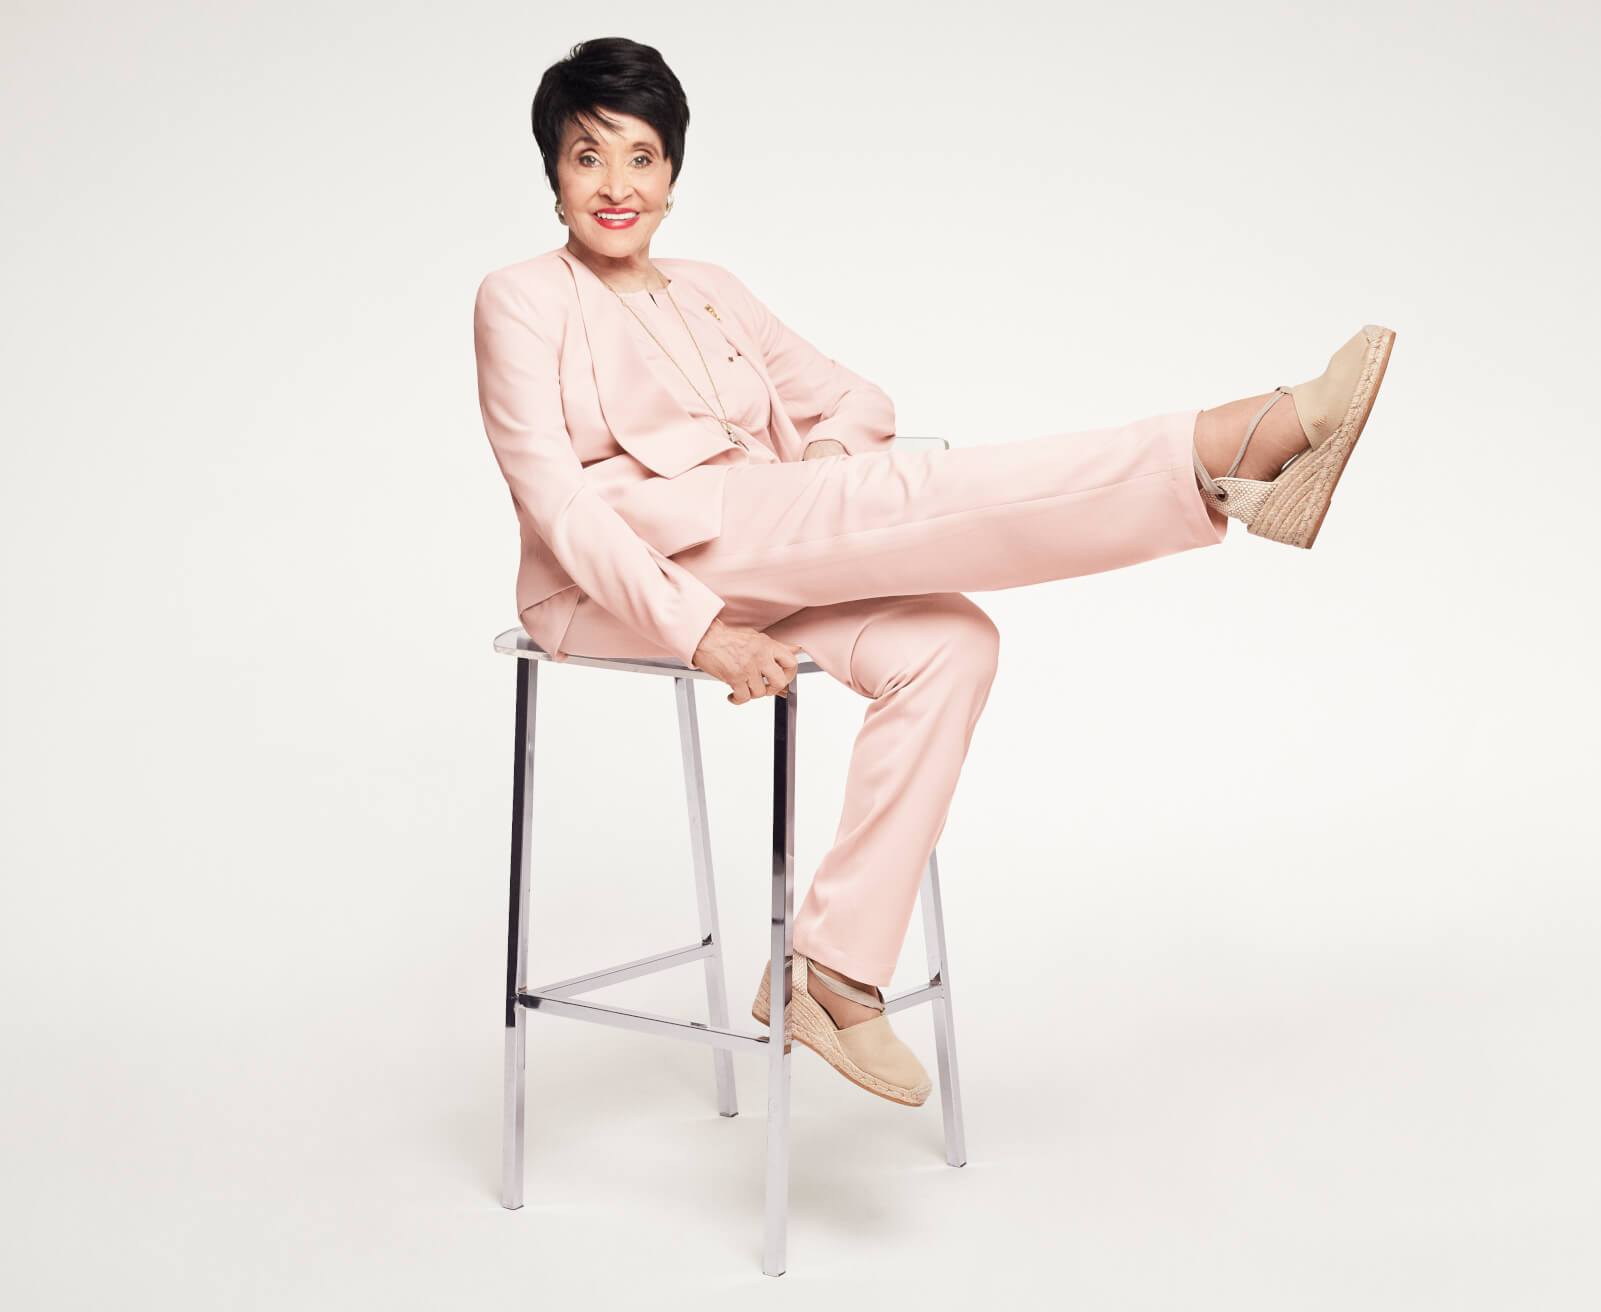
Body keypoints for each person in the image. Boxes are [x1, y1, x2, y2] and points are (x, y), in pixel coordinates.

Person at [473, 37, 1396, 1109]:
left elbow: (853, 398)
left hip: (767, 538)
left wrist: (814, 470)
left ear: (673, 176)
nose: (616, 184)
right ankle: (1230, 445)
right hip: (613, 583)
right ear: (552, 175)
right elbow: (556, 501)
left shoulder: (711, 291)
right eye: (588, 157)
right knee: (907, 494)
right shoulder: (518, 298)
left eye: (640, 157)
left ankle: (829, 973)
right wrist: (695, 631)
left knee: (952, 642)